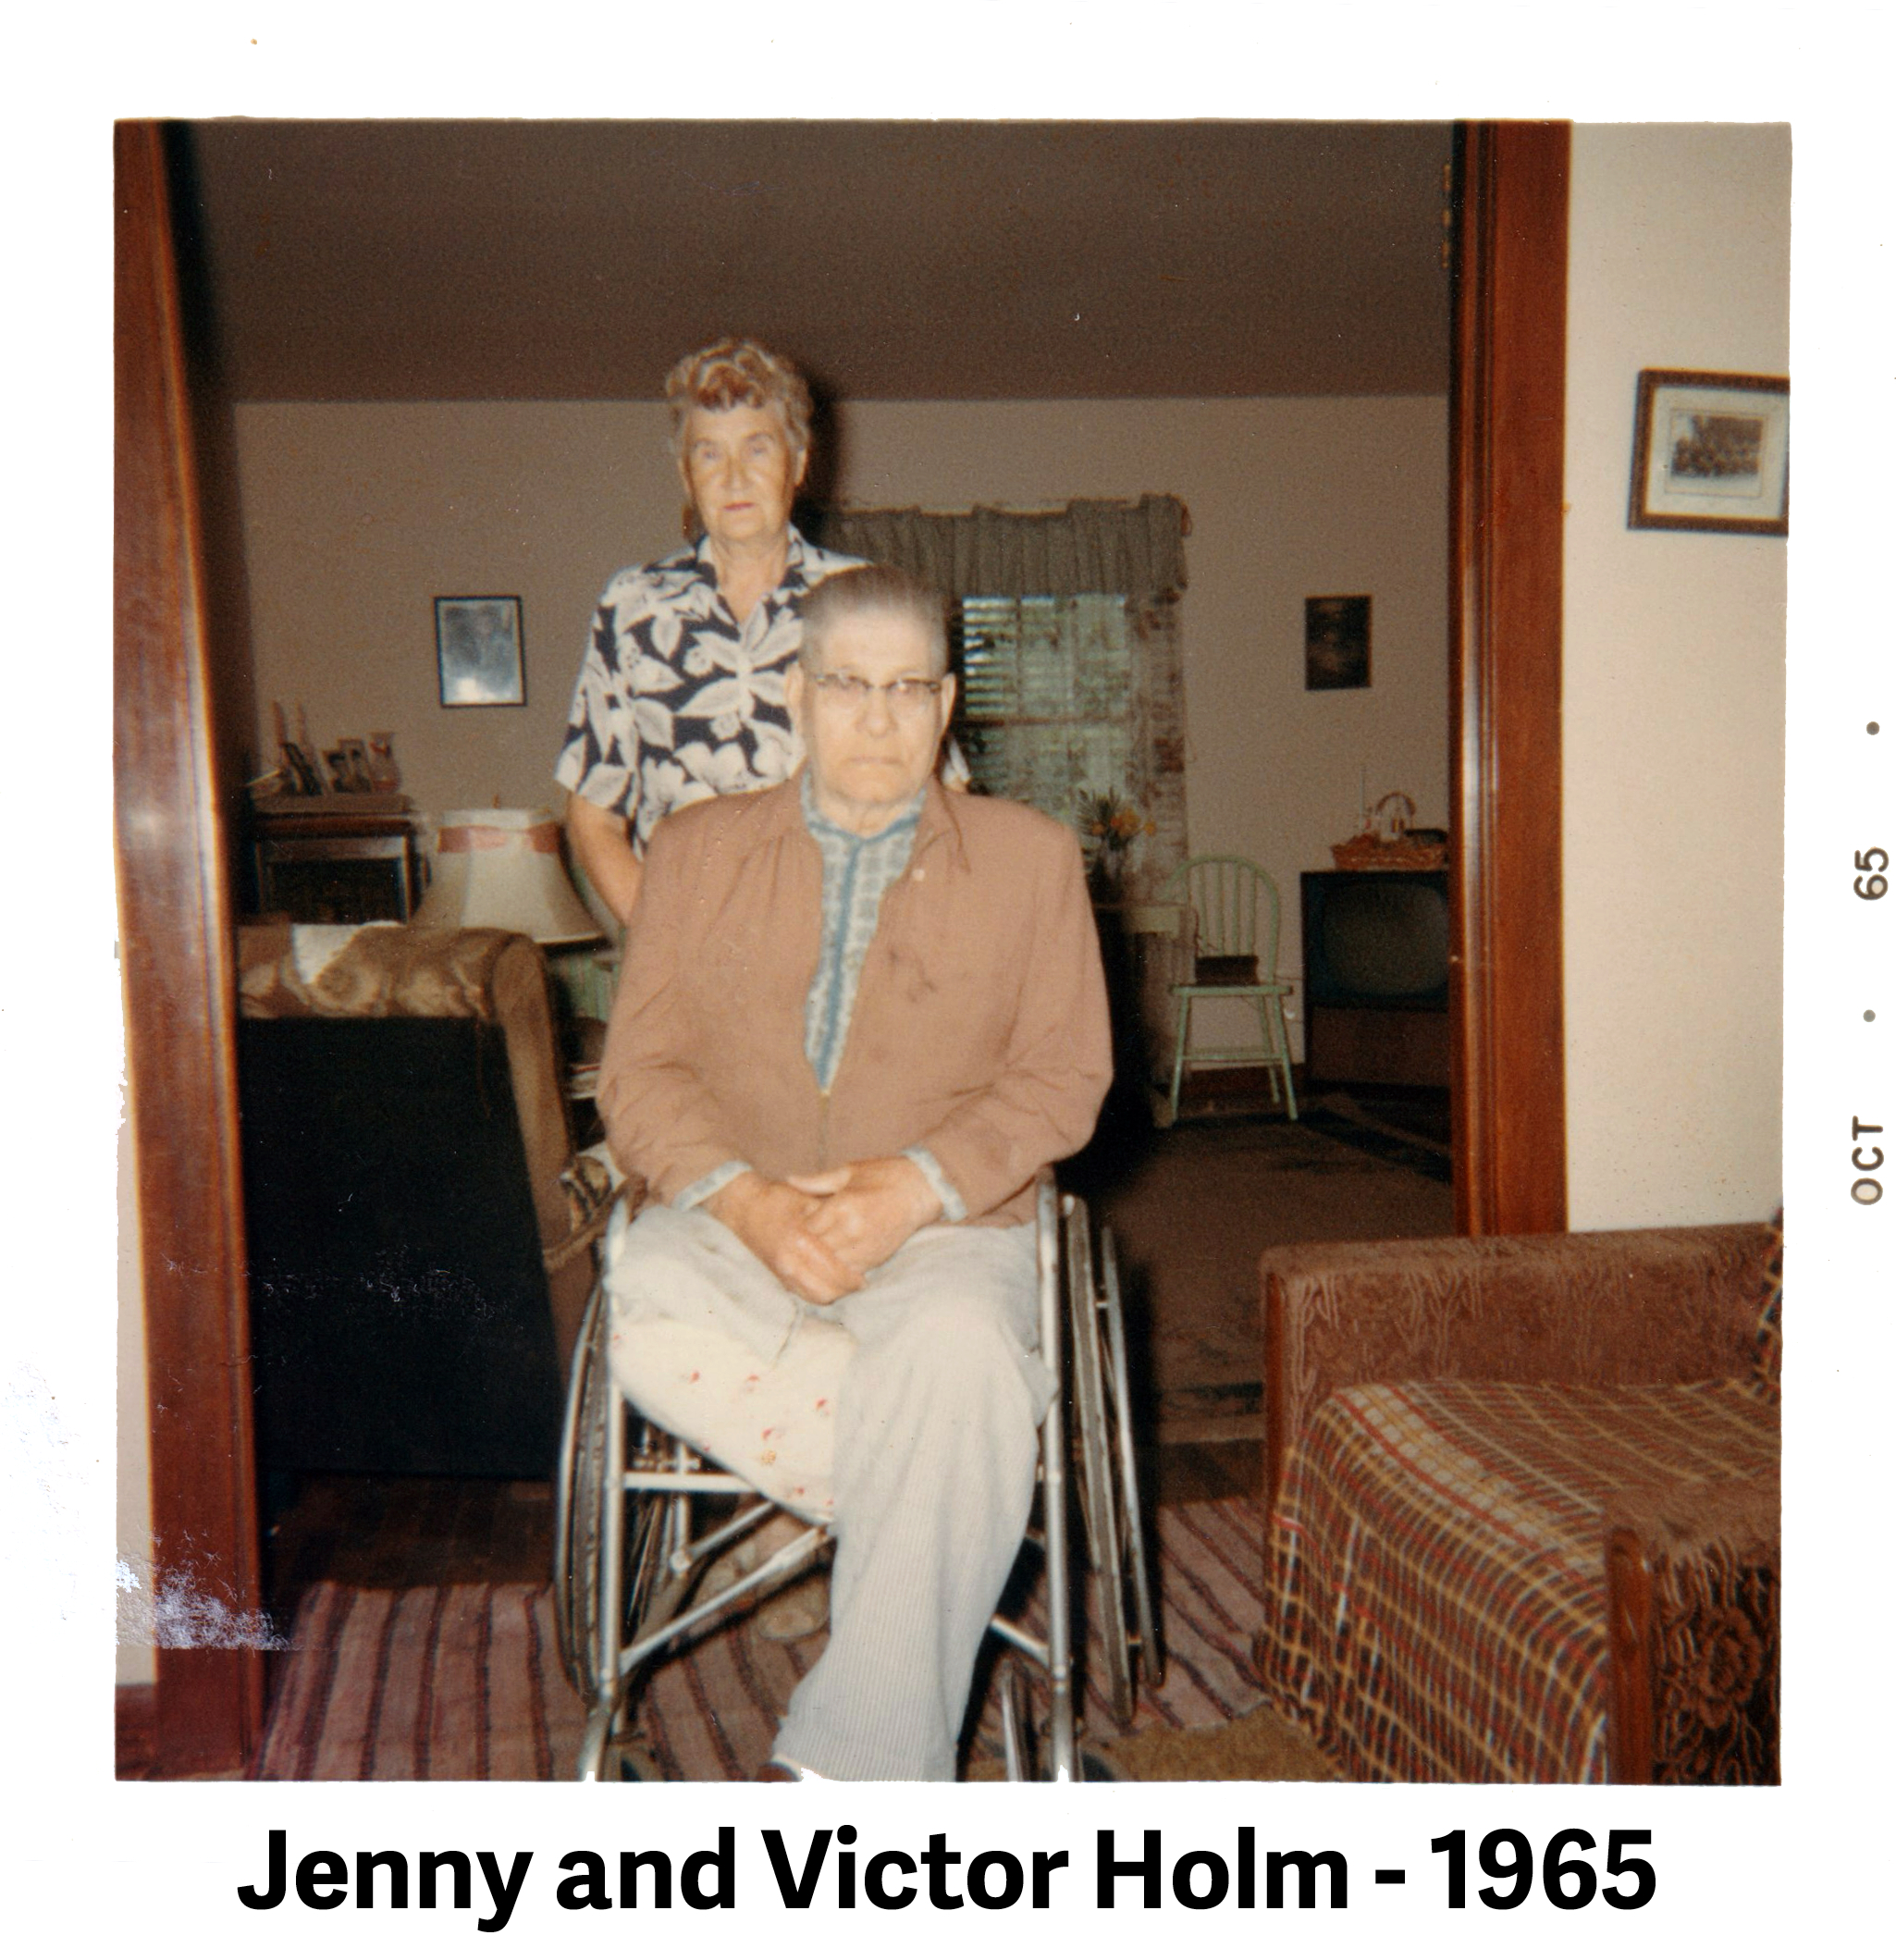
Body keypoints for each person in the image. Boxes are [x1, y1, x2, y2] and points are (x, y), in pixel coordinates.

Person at [596, 564, 1113, 1780]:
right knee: (644, 1309)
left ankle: (854, 1775)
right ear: (797, 693)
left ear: (945, 703)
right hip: (728, 1222)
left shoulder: (1032, 859)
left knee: (960, 1350)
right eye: (846, 685)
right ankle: (937, 1471)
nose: (877, 719)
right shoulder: (695, 851)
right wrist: (749, 1201)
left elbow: (1064, 1075)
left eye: (906, 689)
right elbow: (639, 1073)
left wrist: (910, 1186)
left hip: (946, 1230)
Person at [552, 338, 860, 926]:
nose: (734, 477)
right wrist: (667, 942)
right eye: (709, 454)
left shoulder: (863, 600)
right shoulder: (632, 606)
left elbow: (932, 800)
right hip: (680, 947)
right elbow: (593, 817)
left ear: (799, 463)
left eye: (757, 448)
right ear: (686, 476)